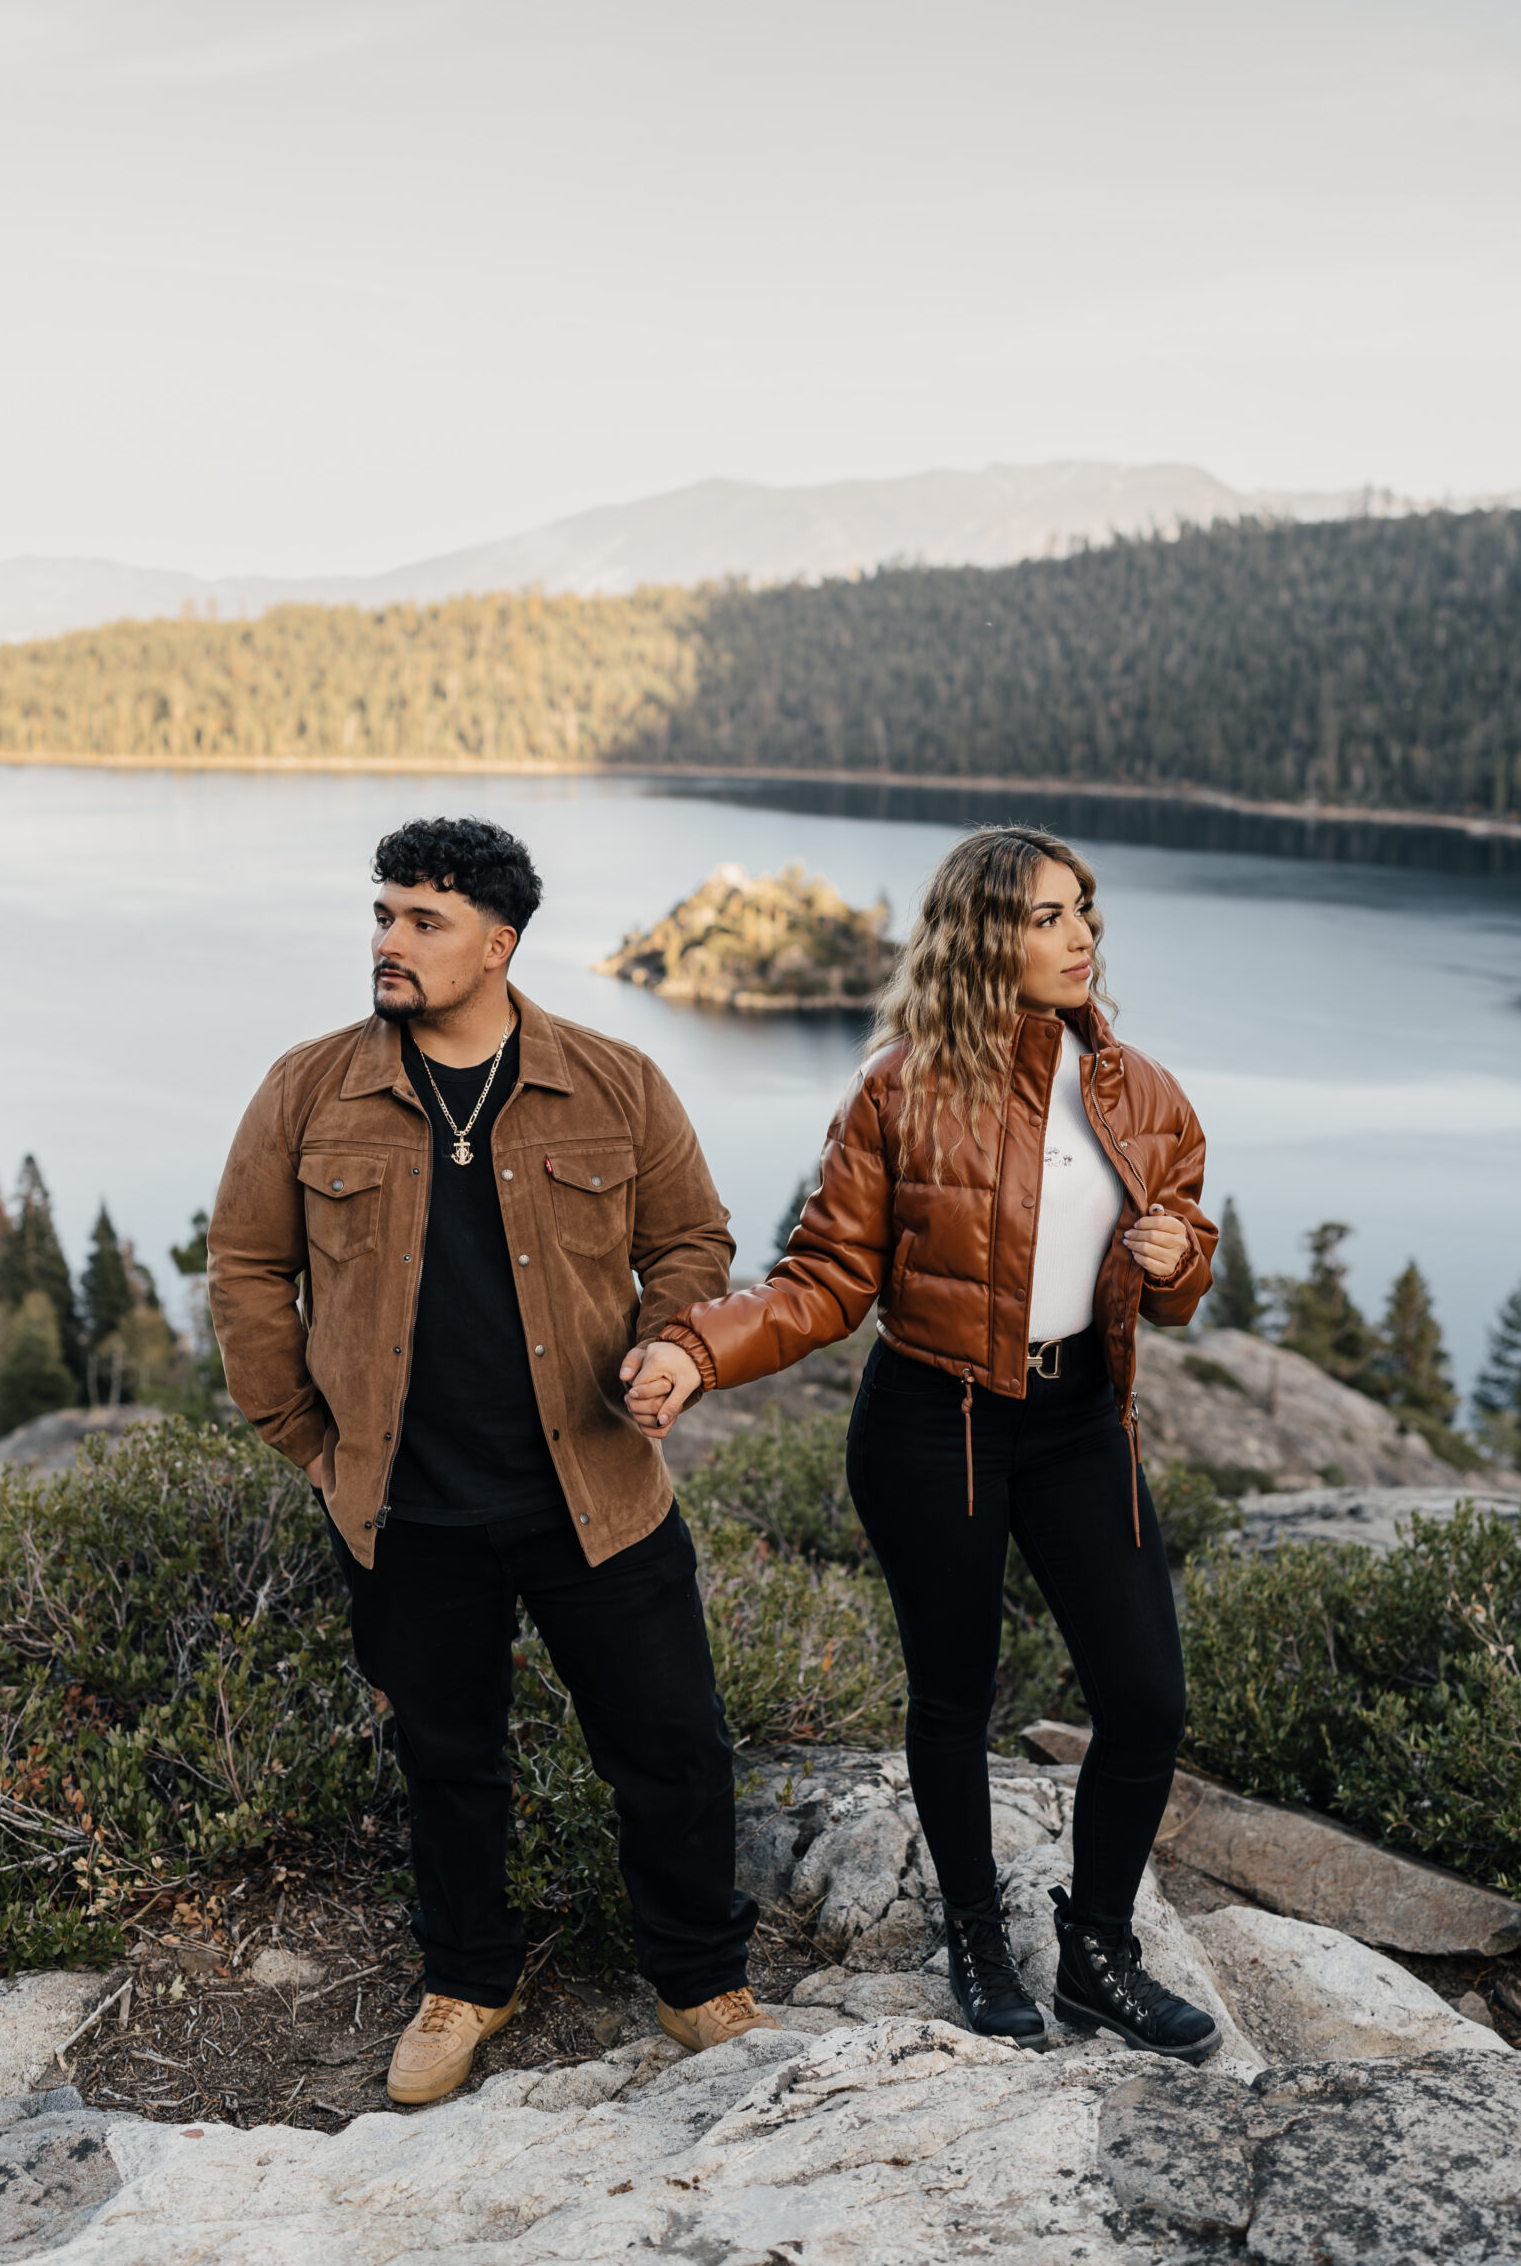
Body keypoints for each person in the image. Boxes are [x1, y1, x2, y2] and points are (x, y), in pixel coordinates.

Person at [623, 825, 1222, 2063]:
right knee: (954, 1697)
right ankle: (977, 1936)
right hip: (931, 1425)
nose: (1081, 937)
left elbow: (1175, 1271)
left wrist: (1178, 1261)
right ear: (983, 934)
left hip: (1077, 1427)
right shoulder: (903, 1088)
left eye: (1085, 914)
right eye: (1050, 916)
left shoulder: (1144, 1094)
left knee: (1146, 1701)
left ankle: (1099, 1955)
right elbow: (825, 1278)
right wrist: (697, 1347)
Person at [209, 815, 778, 2105]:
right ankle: (469, 1979)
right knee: (448, 1760)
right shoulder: (308, 1088)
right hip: (406, 1512)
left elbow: (693, 1238)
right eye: (383, 914)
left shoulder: (616, 1079)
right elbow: (248, 1266)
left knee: (673, 1745)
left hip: (599, 1496)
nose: (388, 942)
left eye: (423, 920)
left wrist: (672, 1342)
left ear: (499, 944)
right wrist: (304, 1439)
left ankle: (697, 1982)